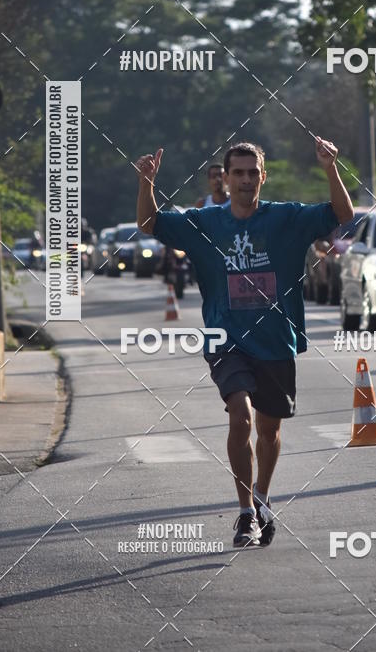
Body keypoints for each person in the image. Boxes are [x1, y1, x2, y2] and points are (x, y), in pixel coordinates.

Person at [136, 139, 353, 548]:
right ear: (226, 177)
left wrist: (330, 169)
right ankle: (245, 513)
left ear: (262, 177)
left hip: (276, 342)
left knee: (269, 430)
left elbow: (343, 215)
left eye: (253, 172)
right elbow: (149, 224)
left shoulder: (286, 218)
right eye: (238, 172)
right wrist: (146, 182)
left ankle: (263, 498)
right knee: (242, 416)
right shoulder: (205, 223)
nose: (246, 179)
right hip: (226, 339)